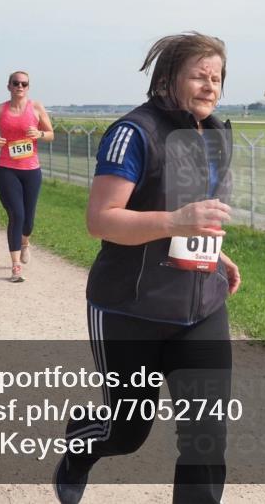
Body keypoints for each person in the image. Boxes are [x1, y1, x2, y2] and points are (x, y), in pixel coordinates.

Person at [55, 33, 241, 504]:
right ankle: (82, 445)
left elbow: (190, 209)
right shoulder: (133, 133)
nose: (210, 86)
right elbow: (101, 220)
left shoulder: (217, 134)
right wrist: (178, 221)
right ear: (166, 79)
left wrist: (212, 253)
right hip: (129, 307)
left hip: (201, 305)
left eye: (217, 77)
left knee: (206, 436)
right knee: (128, 431)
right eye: (199, 75)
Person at [0, 71, 54, 282]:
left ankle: (25, 242)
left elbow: (51, 134)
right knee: (17, 215)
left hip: (31, 170)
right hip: (7, 169)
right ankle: (15, 266)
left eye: (24, 83)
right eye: (16, 83)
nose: (20, 86)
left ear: (28, 87)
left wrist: (40, 134)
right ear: (9, 86)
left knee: (28, 220)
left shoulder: (36, 108)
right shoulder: (0, 110)